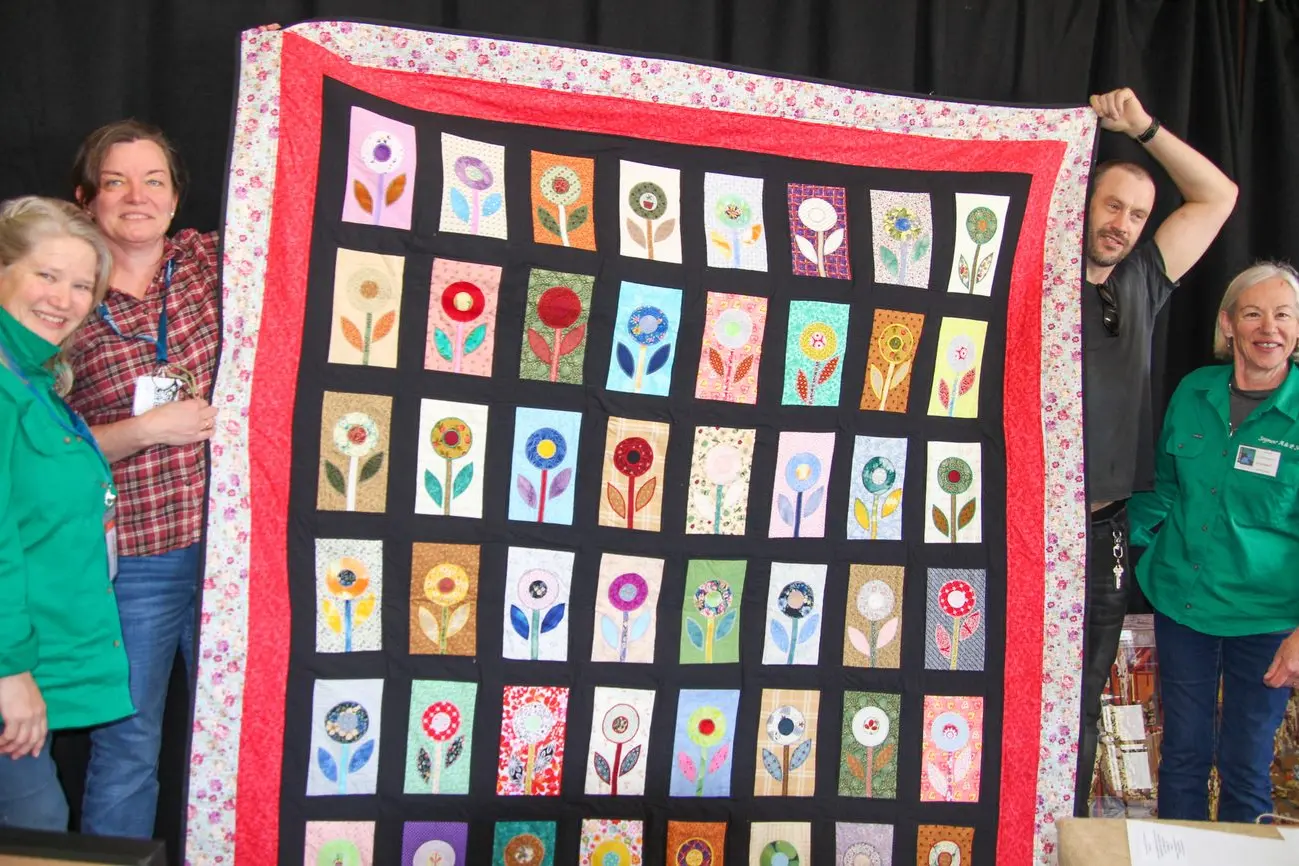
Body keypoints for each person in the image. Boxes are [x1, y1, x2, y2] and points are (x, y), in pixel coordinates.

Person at [1076, 87, 1239, 815]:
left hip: (1101, 527)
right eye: (1111, 206)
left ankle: (1059, 831)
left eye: (1137, 215)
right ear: (1081, 203)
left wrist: (1142, 128)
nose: (1121, 225)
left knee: (1082, 694)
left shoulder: (1142, 278)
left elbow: (1217, 197)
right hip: (1020, 526)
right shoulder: (1027, 272)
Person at [67, 120, 220, 839]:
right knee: (128, 748)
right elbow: (40, 447)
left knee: (244, 737)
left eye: (154, 180)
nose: (137, 196)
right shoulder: (64, 297)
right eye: (116, 182)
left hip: (234, 553)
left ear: (176, 197)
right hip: (135, 564)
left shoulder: (211, 262)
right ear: (86, 199)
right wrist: (145, 431)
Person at [1127, 262, 1299, 821]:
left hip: (1266, 620)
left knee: (1246, 765)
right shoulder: (1194, 390)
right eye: (1252, 314)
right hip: (1183, 606)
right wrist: (1103, 549)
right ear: (1228, 324)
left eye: (1283, 314)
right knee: (1182, 755)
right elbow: (1164, 490)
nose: (1268, 327)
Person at [0, 196, 133, 831]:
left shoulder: (32, 379)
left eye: (82, 285)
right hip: (11, 672)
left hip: (35, 663)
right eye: (47, 275)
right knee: (38, 831)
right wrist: (8, 672)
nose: (65, 299)